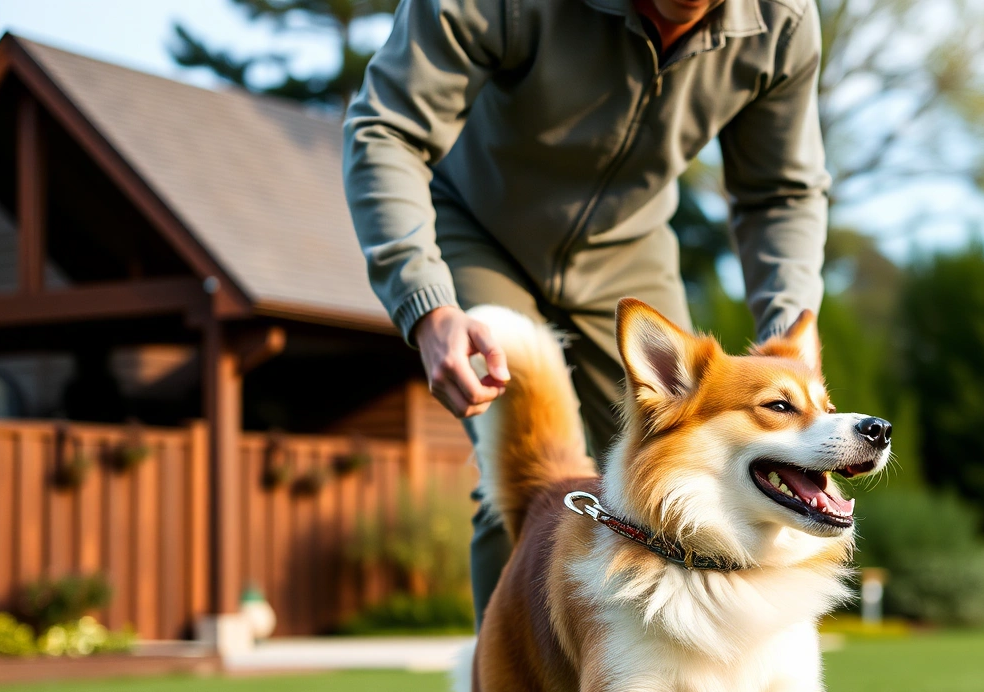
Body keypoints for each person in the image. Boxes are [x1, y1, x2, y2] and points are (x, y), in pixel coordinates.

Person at [343, 0, 828, 622]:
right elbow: (387, 128)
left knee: (684, 468)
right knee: (525, 478)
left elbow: (780, 191)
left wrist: (786, 336)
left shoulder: (781, 21)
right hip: (476, 228)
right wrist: (427, 305)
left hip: (628, 249)